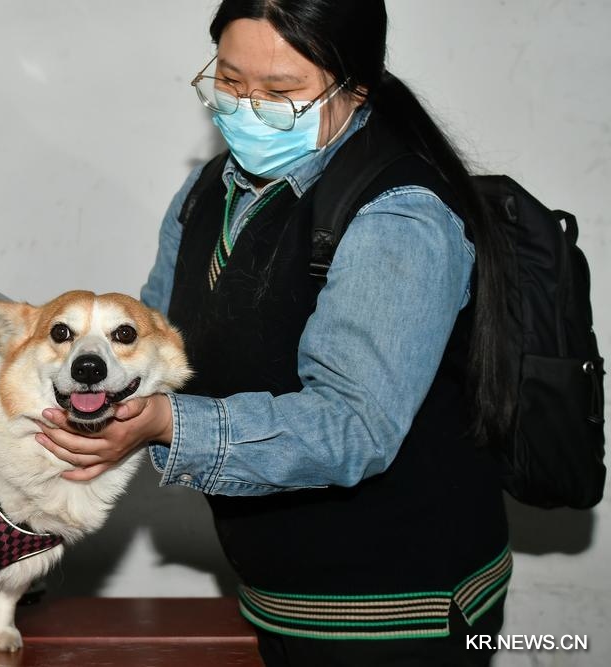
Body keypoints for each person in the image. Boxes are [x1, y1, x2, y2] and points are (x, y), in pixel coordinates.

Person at [34, 1, 512, 665]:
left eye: (282, 92)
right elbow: (152, 342)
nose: (249, 108)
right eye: (230, 81)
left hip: (400, 614)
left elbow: (352, 426)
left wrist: (167, 424)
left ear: (356, 87)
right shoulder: (207, 192)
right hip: (275, 595)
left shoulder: (399, 216)